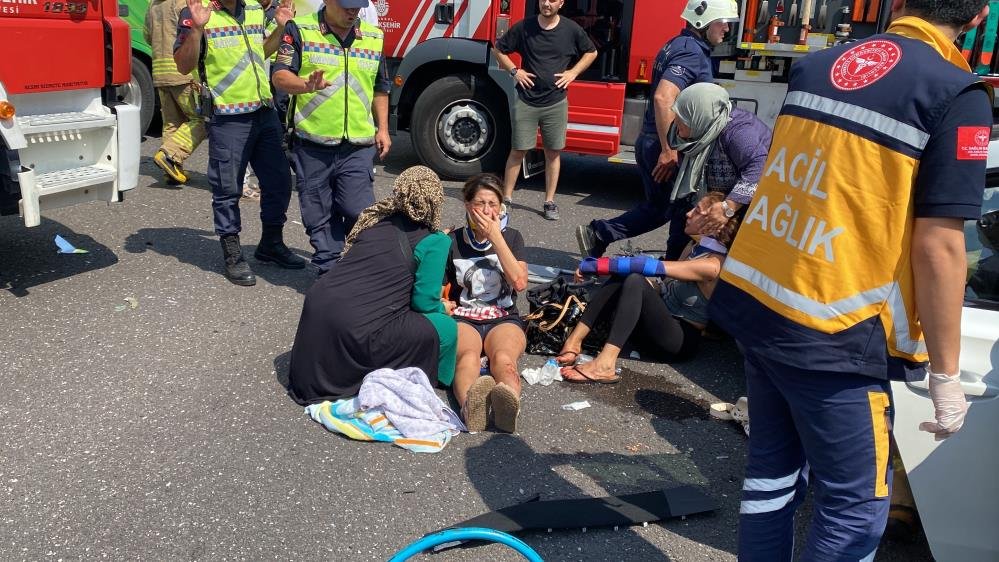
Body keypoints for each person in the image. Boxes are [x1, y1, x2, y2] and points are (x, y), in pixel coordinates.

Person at [708, 1, 992, 559]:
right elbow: (940, 244)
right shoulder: (956, 94)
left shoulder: (820, 65)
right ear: (980, 14)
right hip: (838, 332)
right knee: (857, 514)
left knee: (771, 481)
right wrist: (946, 374)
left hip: (764, 304)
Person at [576, 0, 740, 258]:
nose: (727, 30)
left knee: (662, 208)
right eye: (723, 22)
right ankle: (672, 266)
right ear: (703, 20)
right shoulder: (690, 53)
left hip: (653, 139)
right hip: (664, 144)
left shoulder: (681, 44)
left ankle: (601, 234)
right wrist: (668, 149)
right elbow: (664, 97)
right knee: (682, 208)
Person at [288, 166, 457, 404]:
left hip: (317, 312)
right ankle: (440, 382)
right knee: (446, 328)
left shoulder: (375, 219)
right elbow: (424, 303)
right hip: (353, 330)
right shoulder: (436, 241)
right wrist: (444, 309)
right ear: (436, 200)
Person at [174, 0, 305, 285]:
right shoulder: (199, 12)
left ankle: (271, 244)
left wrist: (280, 27)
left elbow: (261, 51)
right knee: (227, 187)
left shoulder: (255, 10)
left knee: (279, 181)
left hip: (264, 111)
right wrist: (196, 29)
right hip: (228, 116)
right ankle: (232, 251)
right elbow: (183, 65)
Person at [556, 192, 741, 383]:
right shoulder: (694, 247)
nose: (688, 213)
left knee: (636, 279)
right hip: (654, 326)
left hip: (676, 342)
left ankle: (605, 365)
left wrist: (594, 266)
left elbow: (648, 267)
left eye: (697, 211)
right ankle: (574, 341)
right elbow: (663, 283)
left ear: (712, 223)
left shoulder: (713, 265)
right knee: (626, 277)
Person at [272, 0, 392, 275]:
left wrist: (382, 128)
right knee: (319, 216)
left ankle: (354, 263)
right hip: (312, 142)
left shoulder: (374, 37)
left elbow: (380, 87)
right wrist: (305, 85)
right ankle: (329, 270)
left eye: (357, 7)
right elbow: (279, 76)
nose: (353, 12)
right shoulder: (300, 29)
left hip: (358, 145)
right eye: (347, 6)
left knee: (358, 210)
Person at [493, 0, 597, 221]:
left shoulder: (571, 29)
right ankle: (506, 199)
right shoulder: (525, 27)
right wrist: (515, 71)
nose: (546, 4)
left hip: (556, 103)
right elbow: (499, 49)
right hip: (527, 101)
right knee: (518, 150)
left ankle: (549, 201)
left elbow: (591, 52)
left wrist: (573, 73)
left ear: (561, 3)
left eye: (552, 0)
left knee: (553, 153)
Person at [444, 174, 529, 433]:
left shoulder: (512, 237)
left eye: (493, 204)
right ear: (468, 205)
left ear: (501, 207)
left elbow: (519, 282)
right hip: (465, 316)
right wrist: (442, 305)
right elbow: (439, 291)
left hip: (503, 317)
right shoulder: (453, 241)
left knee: (503, 359)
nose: (487, 210)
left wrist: (496, 238)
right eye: (480, 203)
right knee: (468, 358)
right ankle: (471, 408)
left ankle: (507, 403)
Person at [146, 0, 207, 186]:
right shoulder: (183, 2)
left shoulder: (153, 5)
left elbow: (147, 36)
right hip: (182, 72)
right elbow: (191, 32)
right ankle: (169, 155)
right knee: (202, 119)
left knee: (172, 122)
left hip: (160, 72)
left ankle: (171, 170)